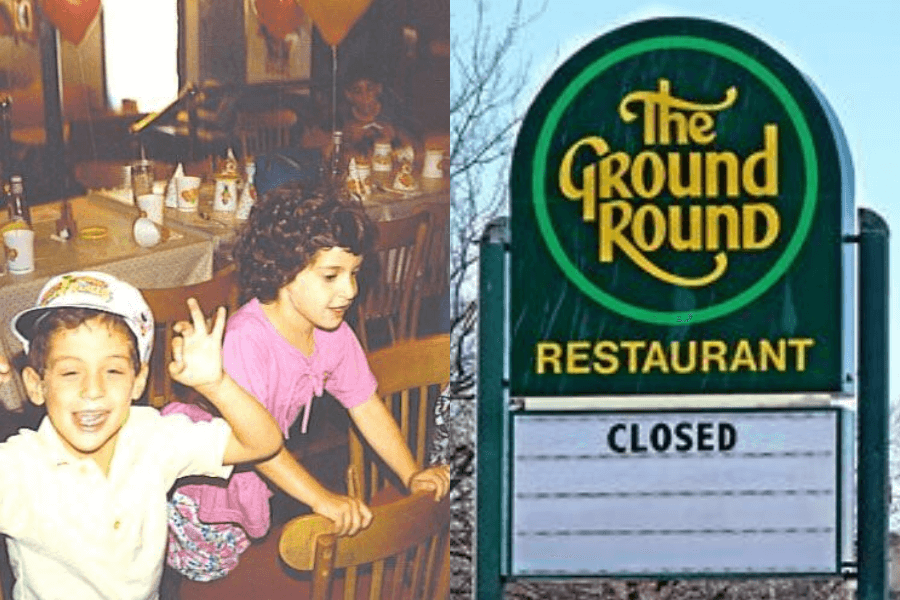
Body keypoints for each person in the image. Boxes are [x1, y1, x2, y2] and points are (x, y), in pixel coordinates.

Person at [162, 184, 450, 582]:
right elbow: (259, 448)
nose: (349, 290)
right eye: (331, 275)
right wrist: (322, 499)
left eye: (354, 274)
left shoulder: (332, 332)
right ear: (283, 271)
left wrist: (410, 474)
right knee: (205, 581)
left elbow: (365, 405)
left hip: (255, 479)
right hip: (206, 487)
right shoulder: (248, 339)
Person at [0, 271, 283, 599]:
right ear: (37, 385)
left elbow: (262, 442)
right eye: (70, 372)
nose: (93, 390)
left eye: (114, 371)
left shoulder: (153, 438)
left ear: (138, 381)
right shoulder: (20, 468)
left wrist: (215, 384)